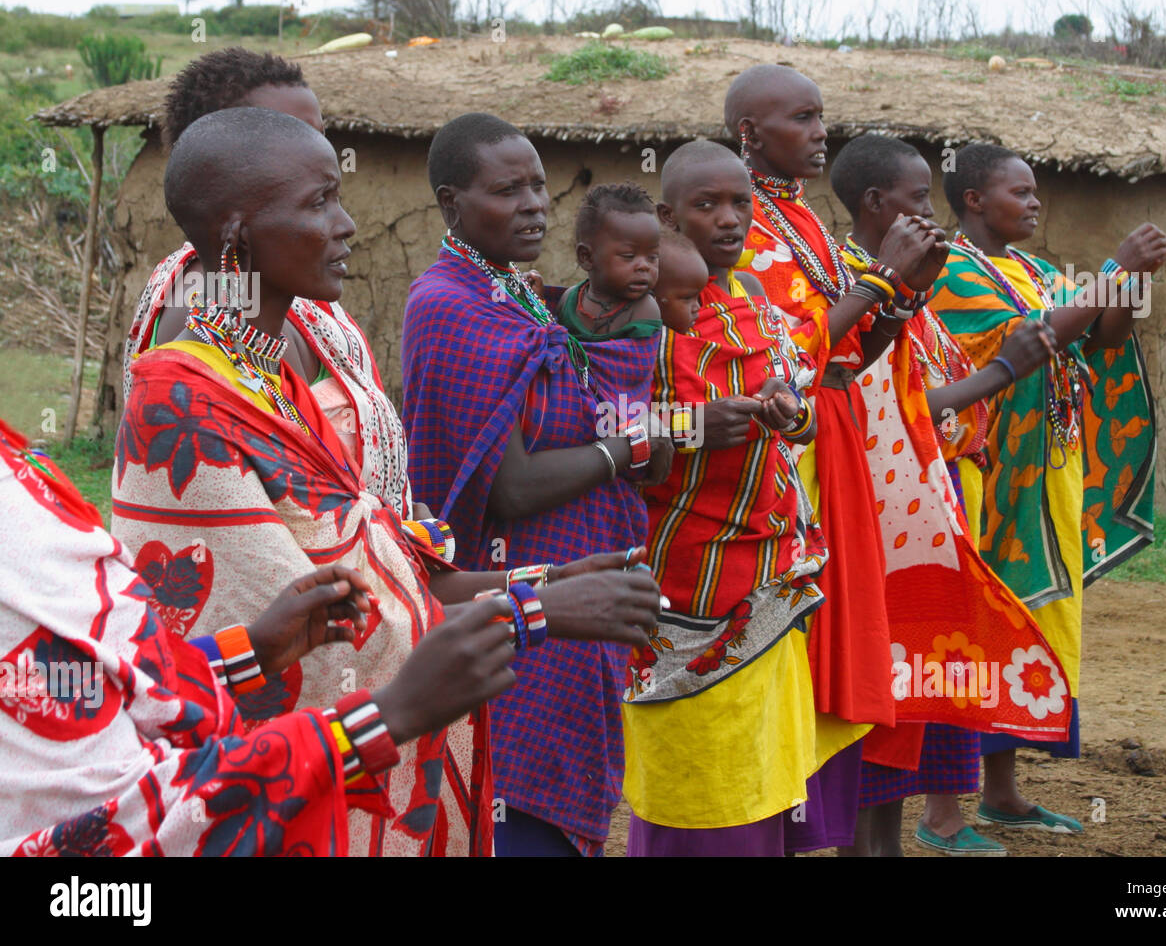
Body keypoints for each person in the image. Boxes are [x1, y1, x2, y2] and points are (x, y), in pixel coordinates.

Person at [112, 107, 662, 857]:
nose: (348, 225)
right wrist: (540, 608)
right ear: (238, 237)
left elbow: (376, 570)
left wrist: (550, 580)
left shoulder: (284, 375)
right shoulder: (184, 404)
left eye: (340, 197)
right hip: (289, 804)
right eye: (317, 204)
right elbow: (316, 648)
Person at [1, 418, 520, 856]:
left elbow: (100, 680)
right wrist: (385, 719)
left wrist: (246, 653)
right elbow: (112, 830)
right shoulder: (177, 394)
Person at [402, 114, 671, 857]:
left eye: (538, 187)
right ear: (453, 203)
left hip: (575, 594)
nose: (532, 205)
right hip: (515, 594)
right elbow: (510, 487)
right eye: (507, 190)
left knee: (552, 804)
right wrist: (625, 448)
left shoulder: (521, 296)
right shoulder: (449, 305)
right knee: (514, 811)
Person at [723, 64, 948, 854]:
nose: (822, 132)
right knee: (792, 650)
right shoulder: (738, 226)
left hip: (833, 450)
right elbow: (784, 357)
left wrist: (904, 294)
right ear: (750, 133)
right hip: (786, 466)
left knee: (826, 651)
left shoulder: (804, 221)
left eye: (822, 117)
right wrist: (880, 277)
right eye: (803, 117)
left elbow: (846, 358)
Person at [829, 134, 1064, 856]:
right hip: (887, 515)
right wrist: (1000, 376)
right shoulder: (855, 282)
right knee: (886, 685)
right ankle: (877, 844)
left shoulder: (909, 287)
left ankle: (898, 838)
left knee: (919, 686)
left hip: (931, 500)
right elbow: (885, 405)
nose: (930, 212)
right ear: (876, 205)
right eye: (918, 198)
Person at [930, 142, 1166, 834]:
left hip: (1049, 471)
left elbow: (1096, 339)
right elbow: (1035, 338)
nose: (1035, 204)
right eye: (1020, 193)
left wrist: (1124, 287)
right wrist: (1110, 270)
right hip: (991, 474)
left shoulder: (1032, 269)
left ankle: (1000, 793)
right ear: (974, 199)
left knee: (1031, 622)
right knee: (973, 625)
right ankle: (941, 809)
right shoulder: (950, 271)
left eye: (1036, 194)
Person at [620, 139, 841, 856]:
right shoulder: (638, 314)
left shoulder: (756, 298)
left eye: (741, 203)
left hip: (769, 576)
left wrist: (786, 409)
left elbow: (806, 409)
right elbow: (605, 434)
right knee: (699, 789)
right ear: (666, 215)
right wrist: (694, 426)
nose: (729, 220)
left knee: (757, 780)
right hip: (687, 589)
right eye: (705, 205)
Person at [122, 47, 411, 515]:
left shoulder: (286, 293)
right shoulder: (210, 305)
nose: (315, 152)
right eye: (286, 136)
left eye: (317, 136)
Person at [558, 183, 664, 340]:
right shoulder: (569, 301)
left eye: (652, 257)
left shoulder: (644, 309)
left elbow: (637, 361)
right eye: (629, 256)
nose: (644, 266)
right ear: (586, 257)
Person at [653, 229, 709, 334]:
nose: (697, 307)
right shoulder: (640, 347)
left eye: (697, 298)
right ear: (652, 297)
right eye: (687, 298)